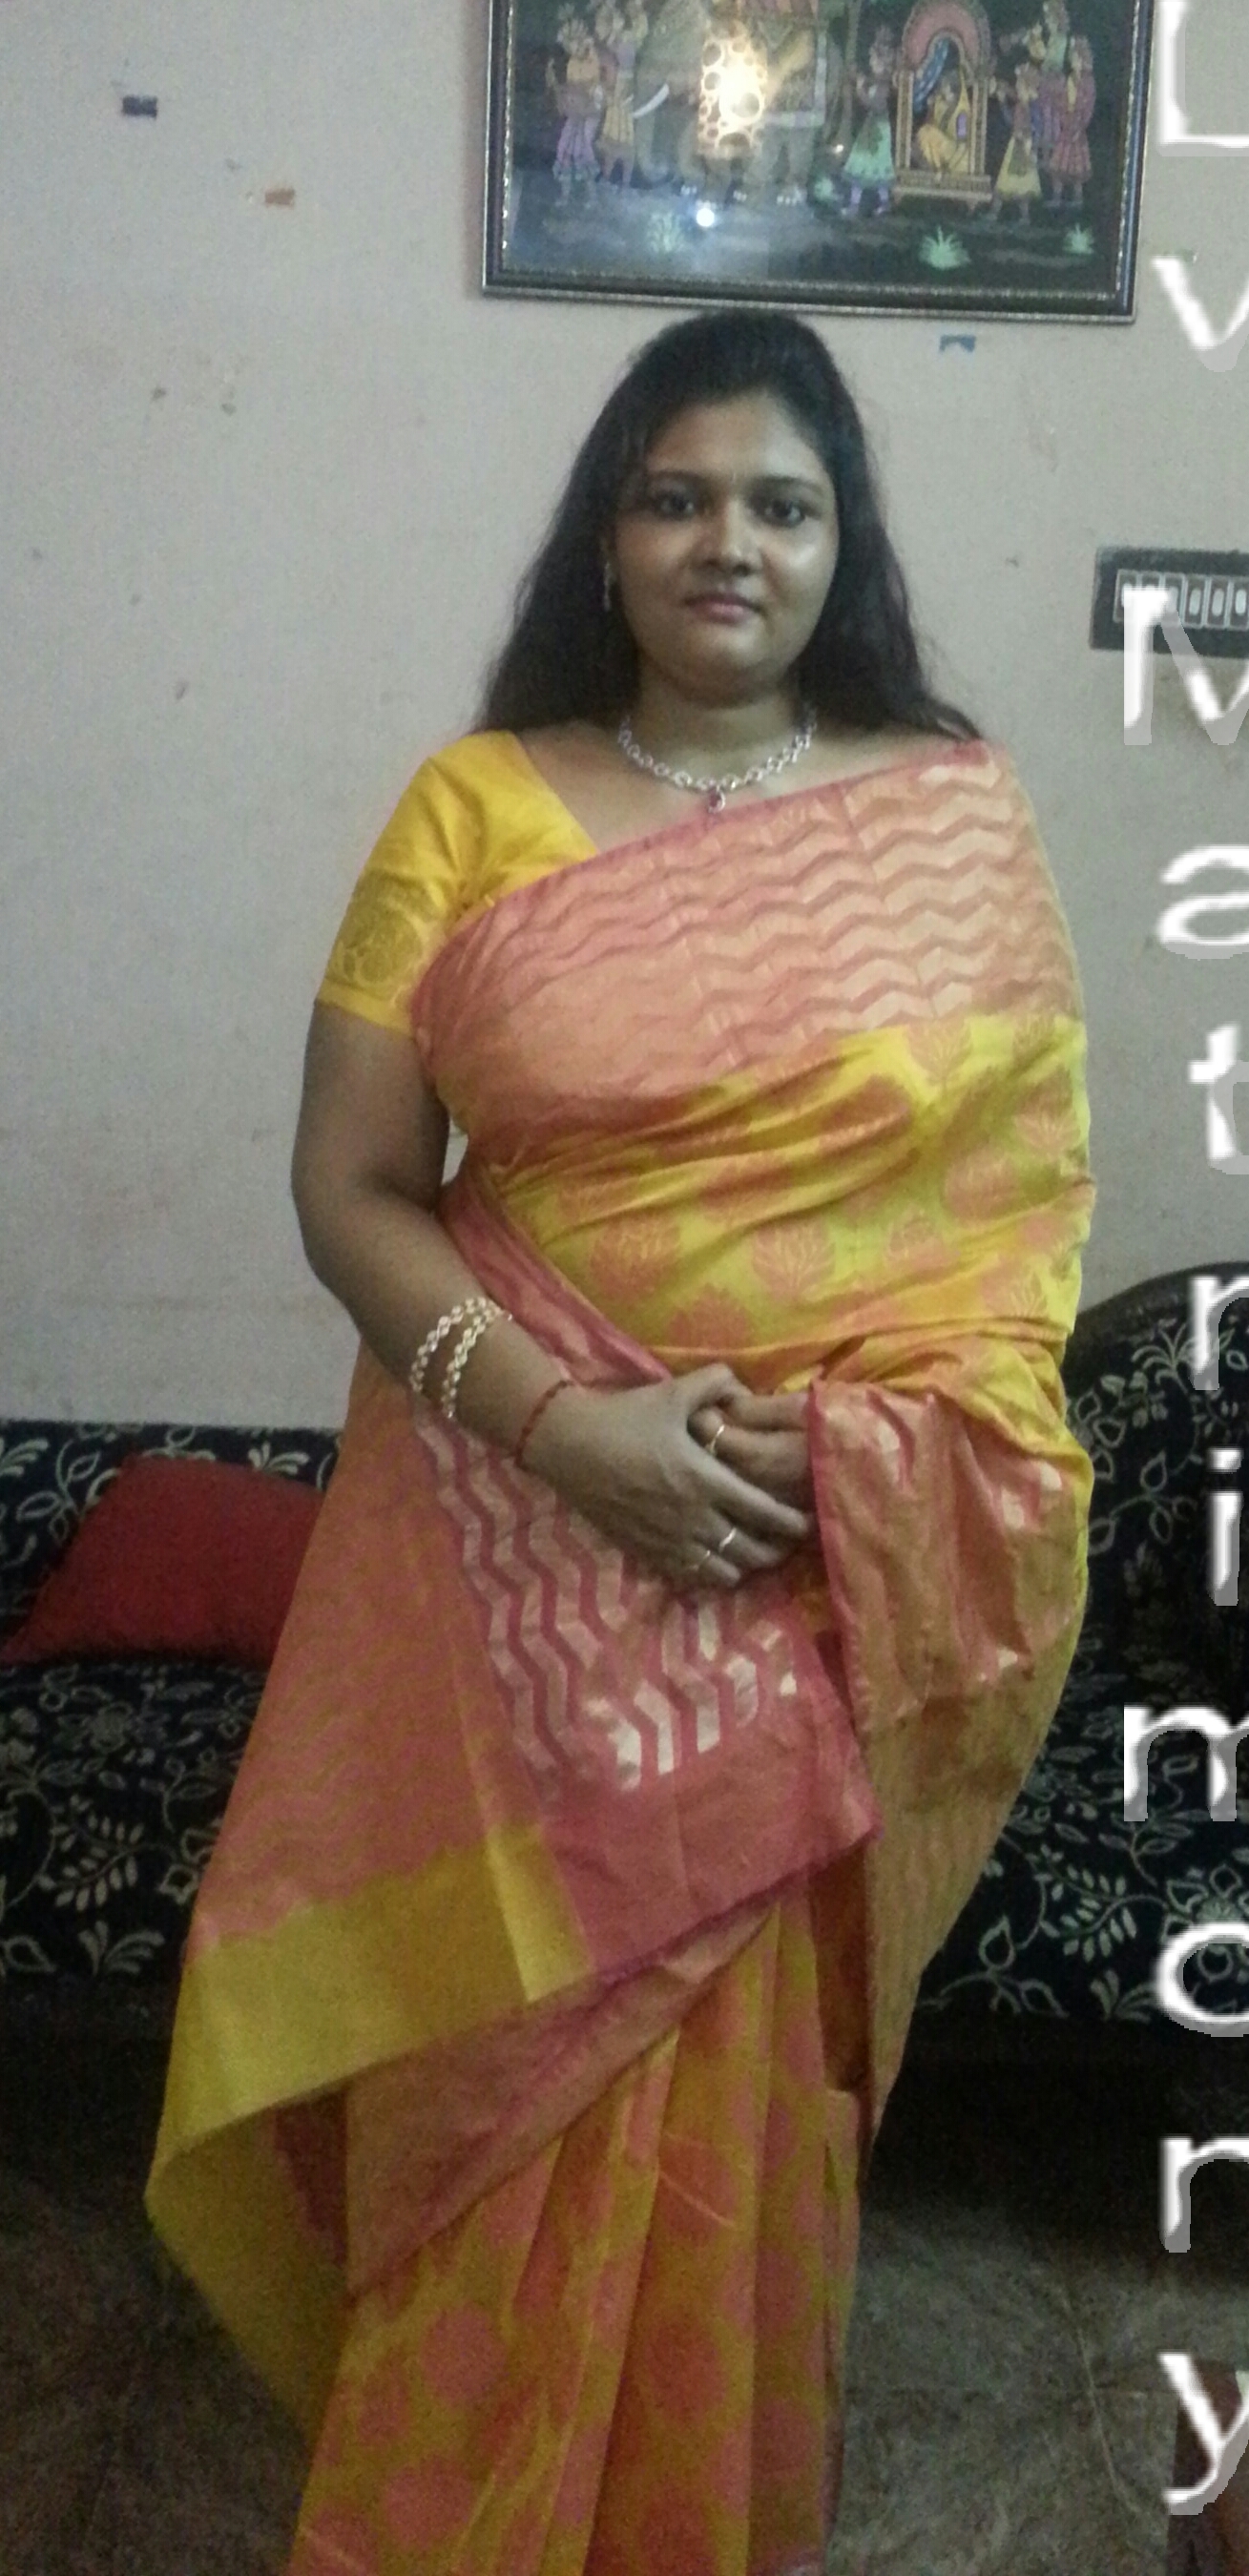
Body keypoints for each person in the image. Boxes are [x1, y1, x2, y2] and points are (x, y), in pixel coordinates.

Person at [146, 308, 1095, 2576]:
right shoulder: (473, 807)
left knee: (724, 2124)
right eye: (675, 496)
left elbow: (1012, 1230)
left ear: (842, 546)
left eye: (780, 502)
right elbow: (350, 1187)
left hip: (805, 1573)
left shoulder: (949, 818)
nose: (724, 543)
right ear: (606, 536)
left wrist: (854, 1469)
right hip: (508, 1567)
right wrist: (573, 1433)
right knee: (494, 2094)